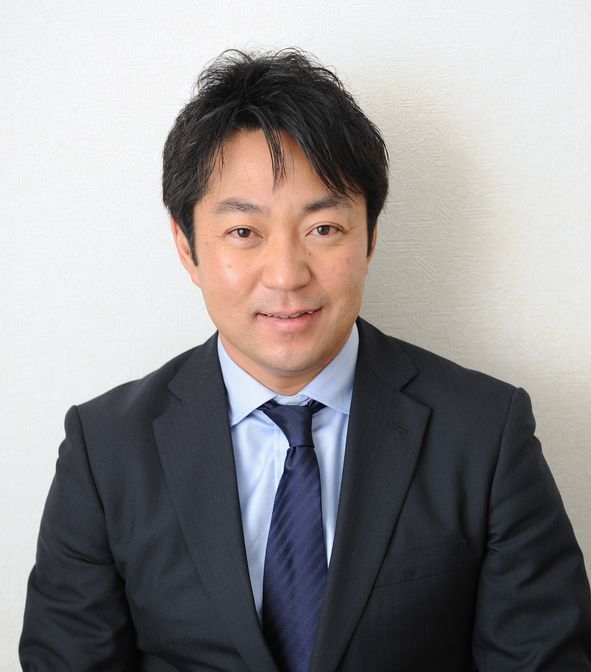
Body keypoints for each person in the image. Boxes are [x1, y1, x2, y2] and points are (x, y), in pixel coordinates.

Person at [20, 49, 591, 672]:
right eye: (244, 232)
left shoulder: (486, 432)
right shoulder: (105, 450)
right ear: (187, 247)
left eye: (323, 229)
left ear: (370, 238)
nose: (287, 275)